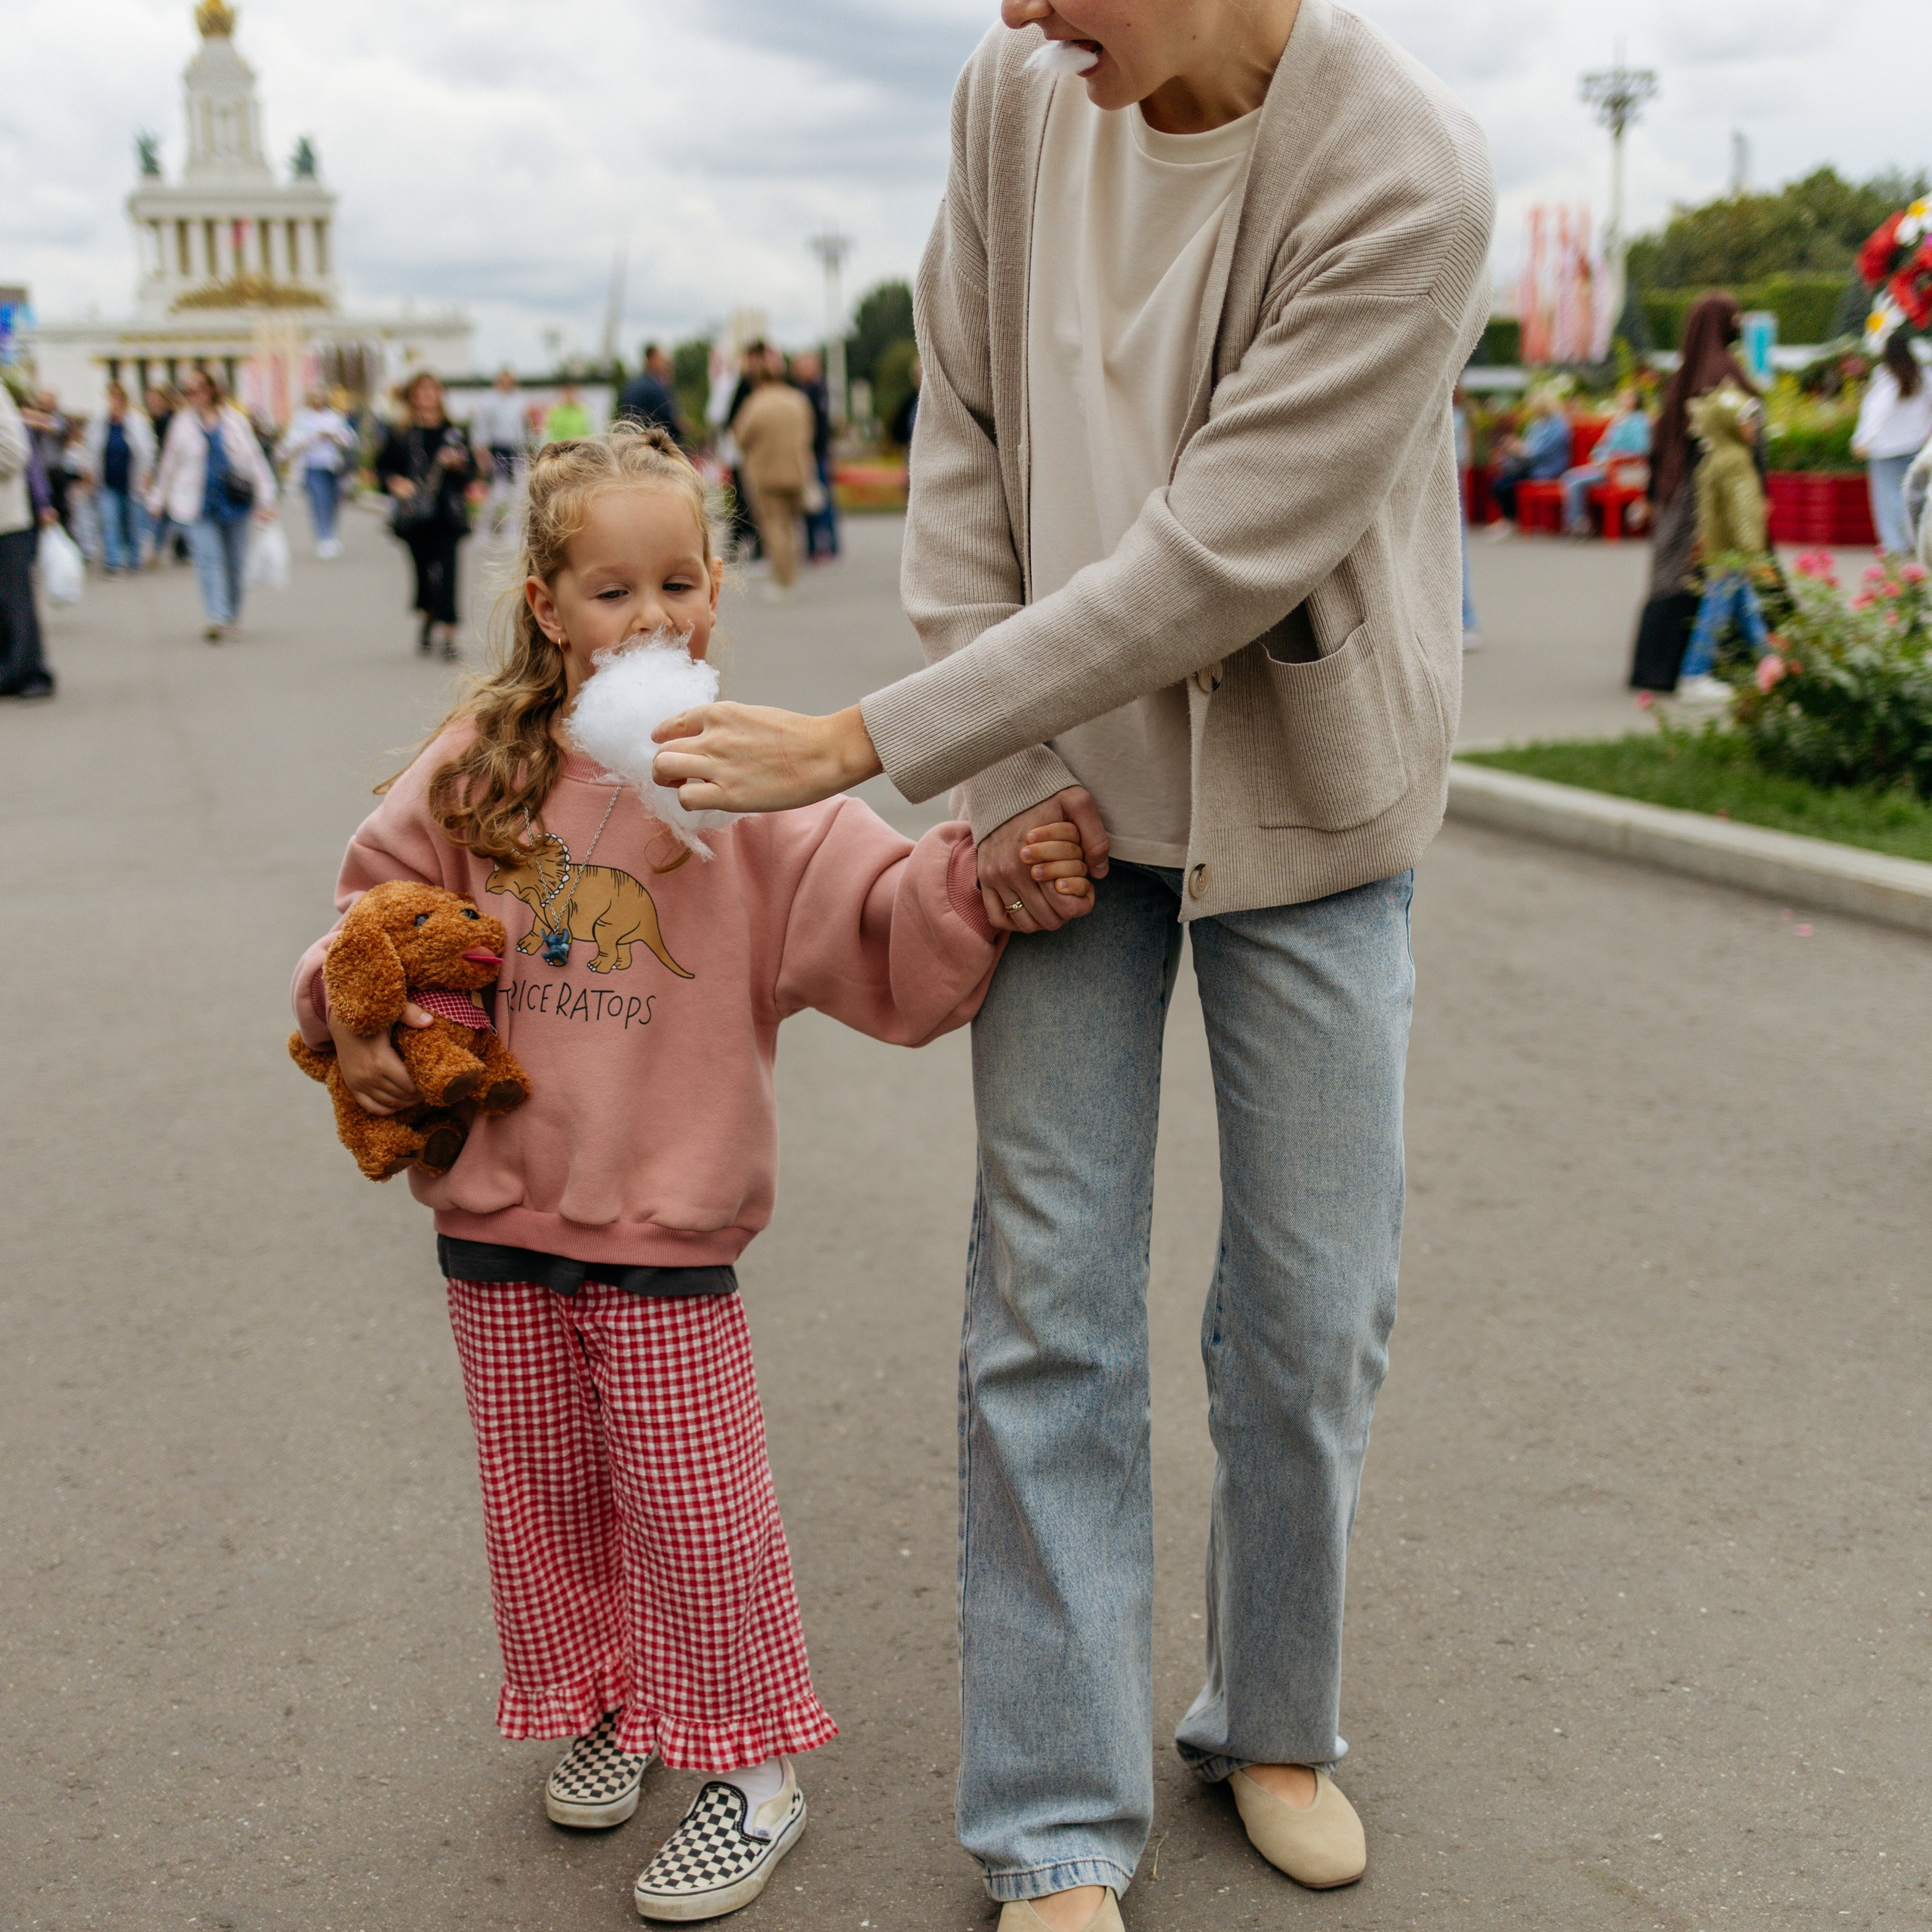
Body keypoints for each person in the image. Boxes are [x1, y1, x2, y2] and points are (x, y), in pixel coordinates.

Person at [648, 2, 1494, 1924]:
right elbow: (958, 437)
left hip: (1306, 811)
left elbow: (1216, 557)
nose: (1017, 8)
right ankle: (1051, 1823)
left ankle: (1269, 1717)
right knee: (1045, 1306)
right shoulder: (1011, 99)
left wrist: (863, 738)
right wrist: (997, 766)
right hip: (1049, 818)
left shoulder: (1400, 171)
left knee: (1306, 1304)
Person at [288, 426, 1088, 1924]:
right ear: (544, 605)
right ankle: (604, 1700)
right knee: (544, 1491)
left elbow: (875, 920)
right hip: (495, 1219)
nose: (648, 617)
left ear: (714, 594)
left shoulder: (749, 785)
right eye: (609, 589)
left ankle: (749, 1770)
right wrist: (355, 1007)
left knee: (695, 1502)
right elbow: (365, 922)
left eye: (675, 583)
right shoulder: (476, 777)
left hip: (663, 1225)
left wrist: (979, 877)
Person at [1629, 292, 1757, 692]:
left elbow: (1658, 442)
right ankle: (1716, 668)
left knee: (1672, 576)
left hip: (1673, 494)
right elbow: (1746, 444)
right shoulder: (1726, 376)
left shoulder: (1681, 378)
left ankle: (1654, 668)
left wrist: (1653, 496)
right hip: (1713, 494)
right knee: (1720, 574)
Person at [148, 368, 279, 642]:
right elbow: (169, 463)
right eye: (187, 391)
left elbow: (255, 459)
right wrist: (158, 498)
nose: (192, 395)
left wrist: (267, 498)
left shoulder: (234, 421)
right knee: (208, 560)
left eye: (196, 389)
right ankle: (216, 617)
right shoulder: (182, 424)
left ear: (211, 390)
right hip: (197, 504)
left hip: (234, 501)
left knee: (235, 562)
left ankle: (231, 613)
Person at [1675, 385, 1773, 704]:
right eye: (1747, 420)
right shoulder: (1736, 461)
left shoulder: (1714, 456)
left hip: (1721, 549)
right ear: (1730, 424)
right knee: (1715, 613)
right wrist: (1753, 553)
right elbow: (1742, 511)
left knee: (1746, 611)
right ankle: (1694, 674)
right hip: (1733, 552)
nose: (1753, 427)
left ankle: (1770, 664)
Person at [376, 371, 477, 660]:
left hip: (447, 514)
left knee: (448, 573)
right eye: (421, 391)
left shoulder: (454, 432)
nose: (427, 396)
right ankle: (429, 615)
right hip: (415, 516)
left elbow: (471, 474)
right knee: (423, 572)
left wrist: (459, 466)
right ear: (411, 397)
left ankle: (449, 633)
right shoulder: (401, 433)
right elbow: (382, 469)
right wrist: (396, 483)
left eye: (433, 390)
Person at [730, 358, 816, 596]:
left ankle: (782, 581)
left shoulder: (756, 404)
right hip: (796, 471)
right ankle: (791, 575)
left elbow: (740, 438)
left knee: (773, 527)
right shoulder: (798, 401)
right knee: (790, 526)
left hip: (766, 473)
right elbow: (810, 433)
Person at [1852, 333, 1932, 556]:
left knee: (1887, 500)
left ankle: (1895, 546)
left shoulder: (1885, 376)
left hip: (1884, 448)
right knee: (1914, 495)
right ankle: (1916, 541)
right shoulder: (1923, 375)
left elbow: (1876, 411)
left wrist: (1862, 440)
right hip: (1914, 445)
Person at [0, 380, 55, 700]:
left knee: (16, 602)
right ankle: (9, 672)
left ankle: (32, 673)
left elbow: (15, 453)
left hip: (7, 521)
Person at [86, 383, 156, 574]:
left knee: (133, 522)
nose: (113, 402)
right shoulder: (100, 422)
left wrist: (147, 474)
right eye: (110, 398)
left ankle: (134, 559)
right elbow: (91, 450)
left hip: (132, 481)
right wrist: (89, 472)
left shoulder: (138, 422)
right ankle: (113, 561)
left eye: (117, 398)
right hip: (108, 481)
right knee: (110, 520)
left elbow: (148, 450)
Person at [1561, 385, 1651, 536]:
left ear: (1637, 400)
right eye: (1623, 397)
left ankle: (1579, 525)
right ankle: (1578, 522)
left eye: (1628, 397)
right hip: (1604, 467)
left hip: (1622, 470)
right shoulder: (1618, 420)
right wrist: (1600, 457)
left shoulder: (1639, 421)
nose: (1624, 401)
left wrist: (1614, 457)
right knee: (1569, 476)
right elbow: (1601, 447)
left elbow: (1642, 449)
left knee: (1576, 482)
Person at [280, 386, 356, 558]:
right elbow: (292, 441)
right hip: (312, 466)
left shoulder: (334, 416)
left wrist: (335, 436)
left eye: (320, 397)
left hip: (334, 466)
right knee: (319, 501)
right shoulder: (302, 418)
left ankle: (331, 534)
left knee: (334, 502)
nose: (318, 400)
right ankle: (323, 538)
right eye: (314, 397)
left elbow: (349, 439)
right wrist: (313, 437)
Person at [1487, 387, 1571, 525]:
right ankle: (1511, 519)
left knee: (1505, 485)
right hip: (1530, 466)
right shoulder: (1536, 424)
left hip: (1548, 469)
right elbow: (1528, 447)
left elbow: (1540, 452)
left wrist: (1519, 448)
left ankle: (1511, 520)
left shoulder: (1558, 425)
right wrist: (1516, 448)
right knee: (1499, 482)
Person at [787, 349, 841, 562]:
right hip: (804, 454)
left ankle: (828, 547)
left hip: (815, 454)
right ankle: (811, 548)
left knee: (822, 502)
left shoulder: (817, 391)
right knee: (807, 502)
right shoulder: (799, 390)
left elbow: (819, 429)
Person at [470, 367, 529, 543]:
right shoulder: (489, 401)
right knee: (497, 492)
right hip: (497, 448)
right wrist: (481, 450)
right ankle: (482, 528)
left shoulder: (519, 401)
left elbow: (523, 427)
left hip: (515, 449)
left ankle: (512, 533)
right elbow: (481, 426)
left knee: (517, 493)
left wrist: (526, 448)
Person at [143, 384, 186, 565]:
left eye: (155, 399)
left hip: (173, 472)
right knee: (162, 513)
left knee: (176, 512)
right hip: (159, 472)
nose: (152, 403)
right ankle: (161, 549)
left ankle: (181, 548)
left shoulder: (172, 420)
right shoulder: (149, 421)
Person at [616, 343, 685, 444]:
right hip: (656, 444)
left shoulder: (631, 385)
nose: (663, 364)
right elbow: (668, 419)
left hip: (633, 441)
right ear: (651, 359)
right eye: (661, 359)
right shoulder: (656, 387)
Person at [1453, 385, 1478, 648]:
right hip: (1455, 481)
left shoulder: (1450, 416)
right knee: (1458, 550)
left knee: (1456, 550)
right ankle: (1466, 620)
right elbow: (1466, 458)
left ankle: (1466, 619)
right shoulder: (1458, 415)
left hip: (1445, 483)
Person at [542, 381, 592, 445]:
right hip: (560, 448)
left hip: (579, 448)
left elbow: (589, 432)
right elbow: (549, 432)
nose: (569, 396)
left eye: (572, 393)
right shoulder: (555, 411)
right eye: (567, 393)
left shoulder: (584, 411)